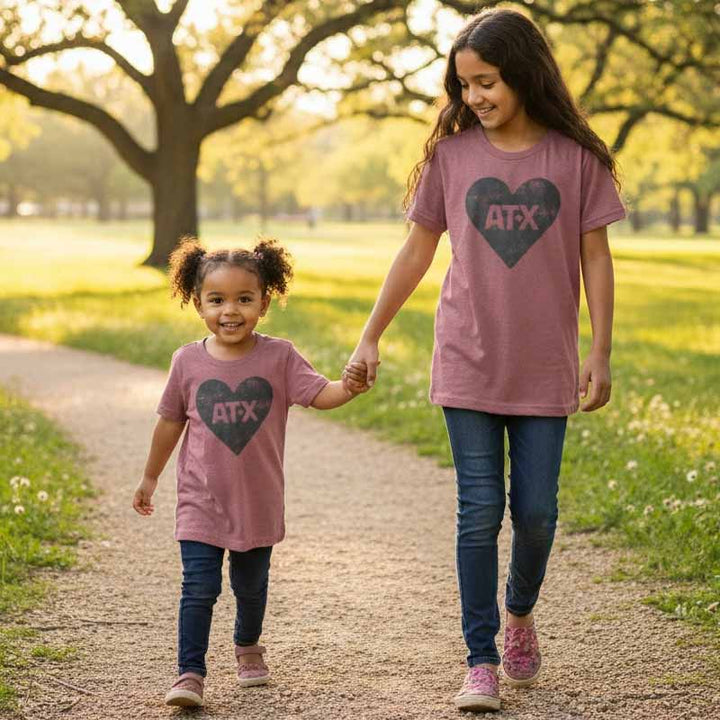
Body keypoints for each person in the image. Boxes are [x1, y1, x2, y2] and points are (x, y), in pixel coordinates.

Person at [344, 7, 625, 713]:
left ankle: (519, 612)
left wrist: (600, 351)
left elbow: (597, 256)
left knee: (535, 513)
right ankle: (480, 660)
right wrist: (370, 333)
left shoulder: (575, 157)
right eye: (465, 85)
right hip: (467, 359)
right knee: (479, 513)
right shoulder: (451, 156)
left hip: (544, 365)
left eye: (488, 82)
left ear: (524, 73)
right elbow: (416, 249)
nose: (475, 98)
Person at [133, 236, 367, 708]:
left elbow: (321, 394)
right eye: (217, 300)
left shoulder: (279, 357)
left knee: (250, 586)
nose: (230, 311)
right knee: (198, 587)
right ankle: (190, 672)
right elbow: (169, 423)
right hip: (200, 500)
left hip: (257, 501)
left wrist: (351, 386)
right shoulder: (187, 362)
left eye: (244, 298)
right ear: (197, 302)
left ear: (265, 301)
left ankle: (247, 646)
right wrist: (150, 477)